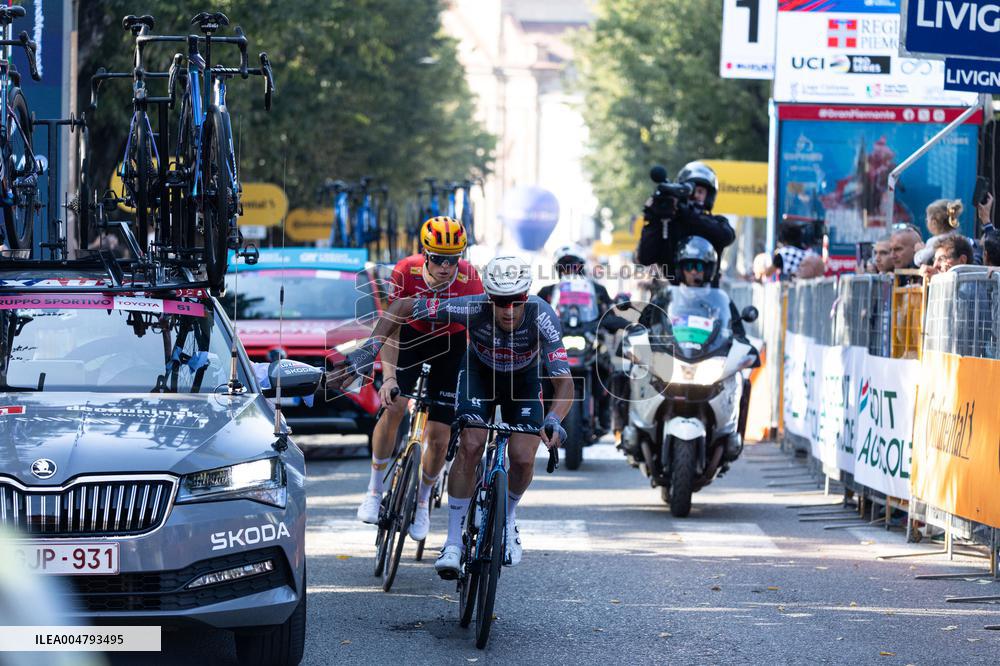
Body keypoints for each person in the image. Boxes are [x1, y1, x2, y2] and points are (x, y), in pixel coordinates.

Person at [332, 256, 574, 576]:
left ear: (526, 297)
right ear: (488, 297)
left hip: (523, 381)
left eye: (516, 302)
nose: (508, 310)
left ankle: (509, 519)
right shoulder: (471, 307)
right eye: (500, 302)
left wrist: (555, 418)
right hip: (480, 374)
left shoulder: (543, 315)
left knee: (523, 456)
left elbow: (564, 381)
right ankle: (452, 543)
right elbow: (402, 307)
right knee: (471, 444)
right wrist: (369, 350)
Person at [355, 216, 483, 545]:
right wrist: (389, 377)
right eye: (439, 258)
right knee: (394, 405)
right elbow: (392, 325)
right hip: (410, 338)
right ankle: (374, 488)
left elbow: (478, 335)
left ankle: (423, 500)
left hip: (450, 346)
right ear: (425, 254)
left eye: (452, 259)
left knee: (439, 436)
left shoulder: (470, 278)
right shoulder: (406, 271)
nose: (445, 266)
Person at [636, 161, 735, 284]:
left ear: (709, 196)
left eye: (700, 192)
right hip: (671, 297)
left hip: (708, 297)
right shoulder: (668, 223)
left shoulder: (717, 222)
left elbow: (727, 236)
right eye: (691, 192)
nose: (695, 196)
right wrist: (653, 221)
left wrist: (687, 213)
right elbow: (645, 258)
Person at [914, 199, 964, 266]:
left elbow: (921, 260)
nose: (926, 222)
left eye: (927, 220)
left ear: (934, 222)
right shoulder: (959, 237)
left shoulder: (936, 241)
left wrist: (919, 251)